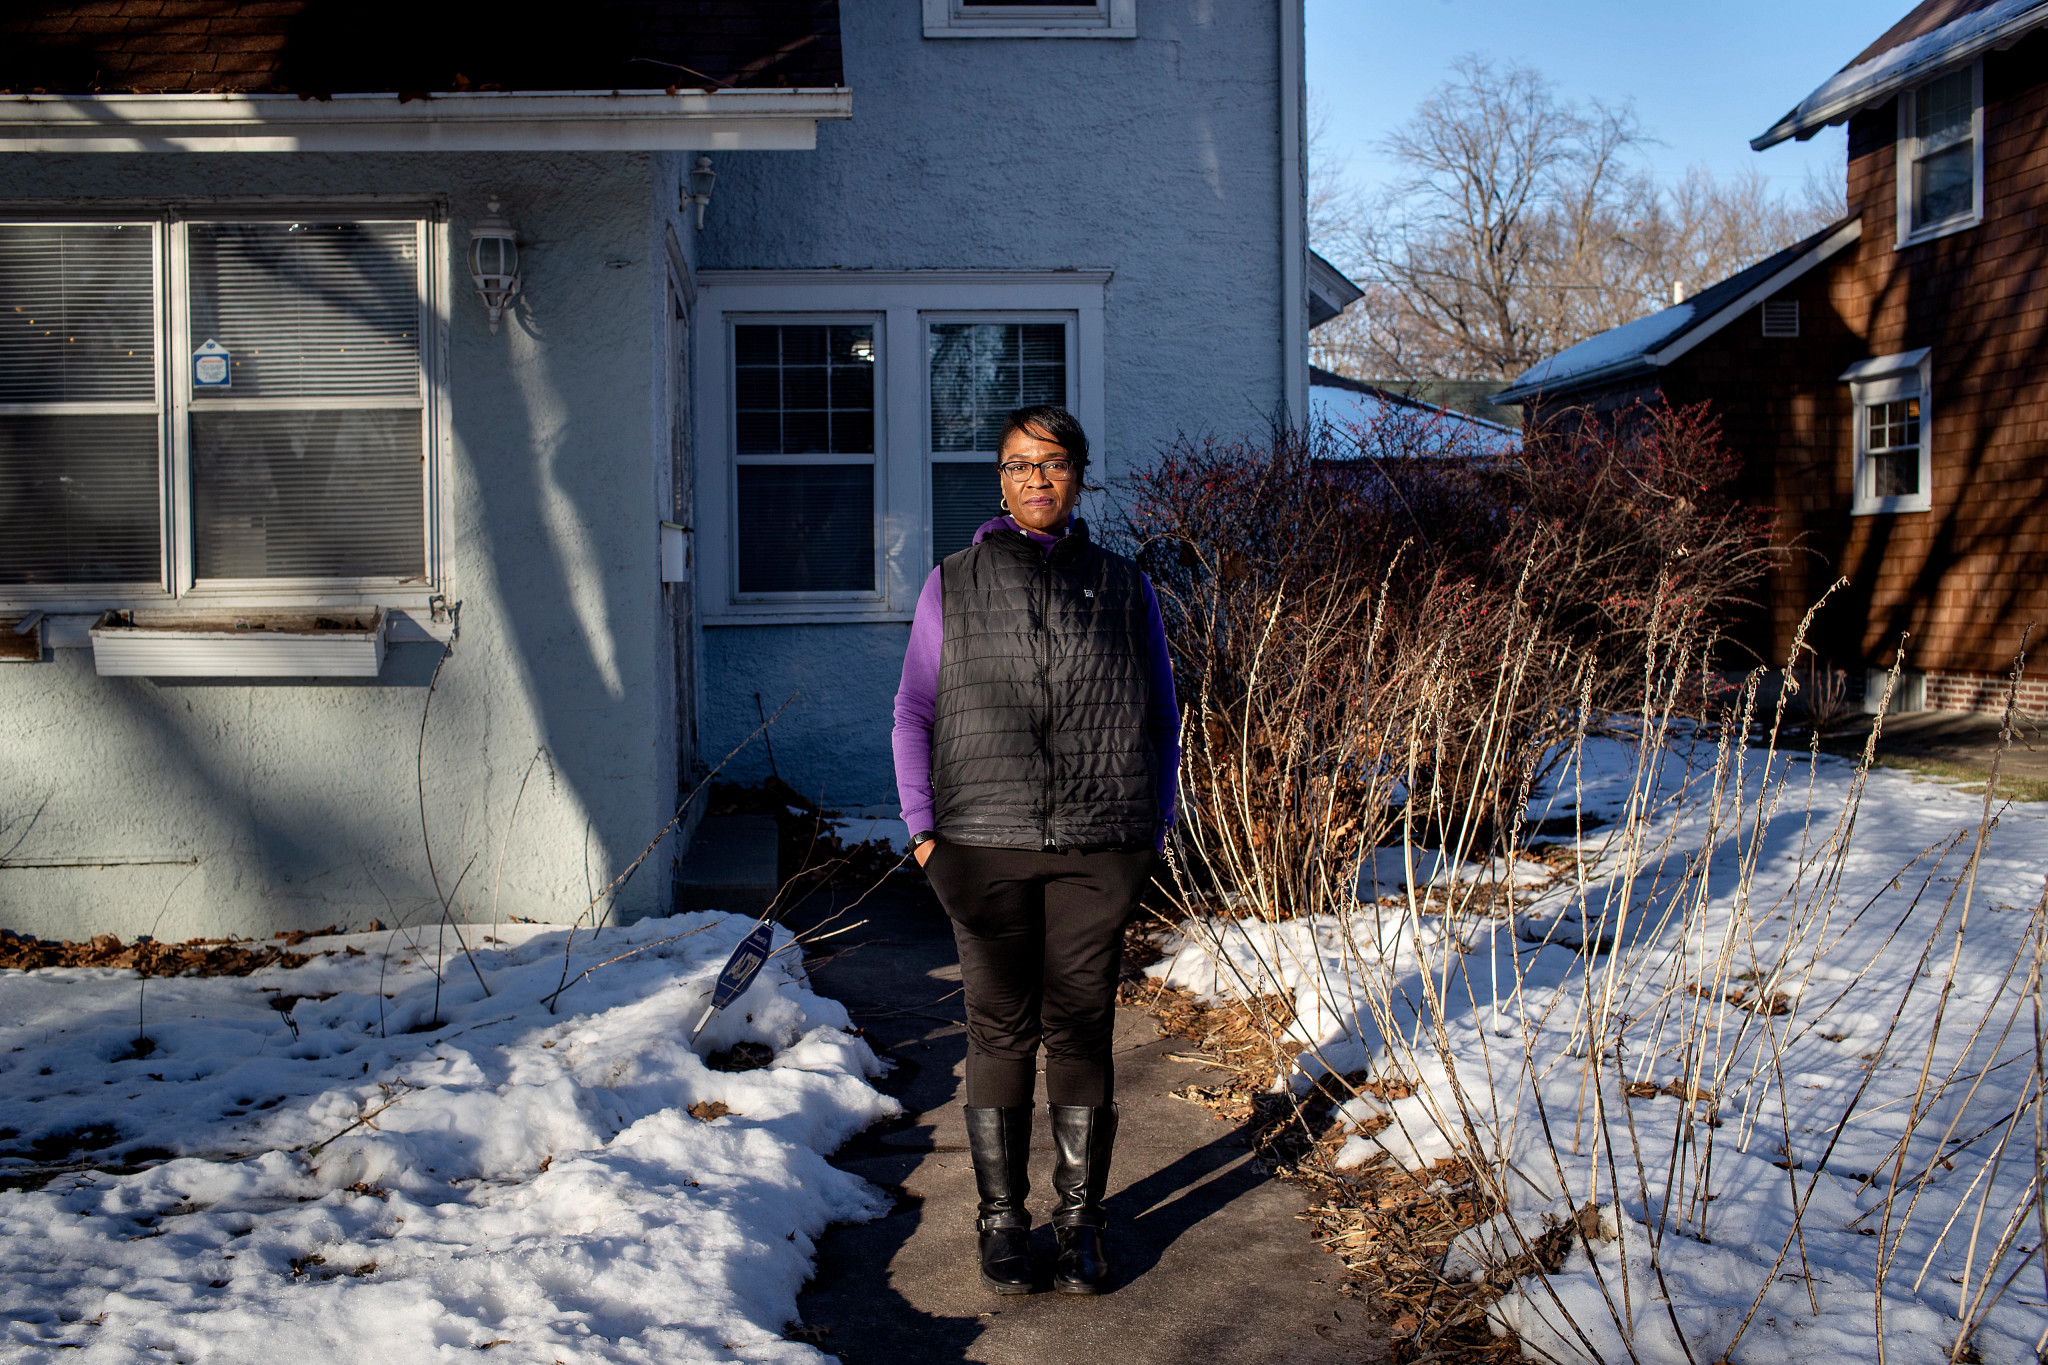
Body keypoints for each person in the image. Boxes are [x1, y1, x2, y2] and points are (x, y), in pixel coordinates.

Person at [892, 404, 1180, 1296]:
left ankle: (1081, 1221)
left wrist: (1150, 831)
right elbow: (914, 711)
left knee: (1082, 1022)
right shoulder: (954, 581)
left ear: (1079, 476)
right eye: (1019, 466)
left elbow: (1163, 715)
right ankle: (1002, 1220)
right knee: (1000, 1025)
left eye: (1052, 464)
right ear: (1000, 480)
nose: (1036, 480)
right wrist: (925, 835)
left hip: (1102, 844)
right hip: (980, 843)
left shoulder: (1126, 586)